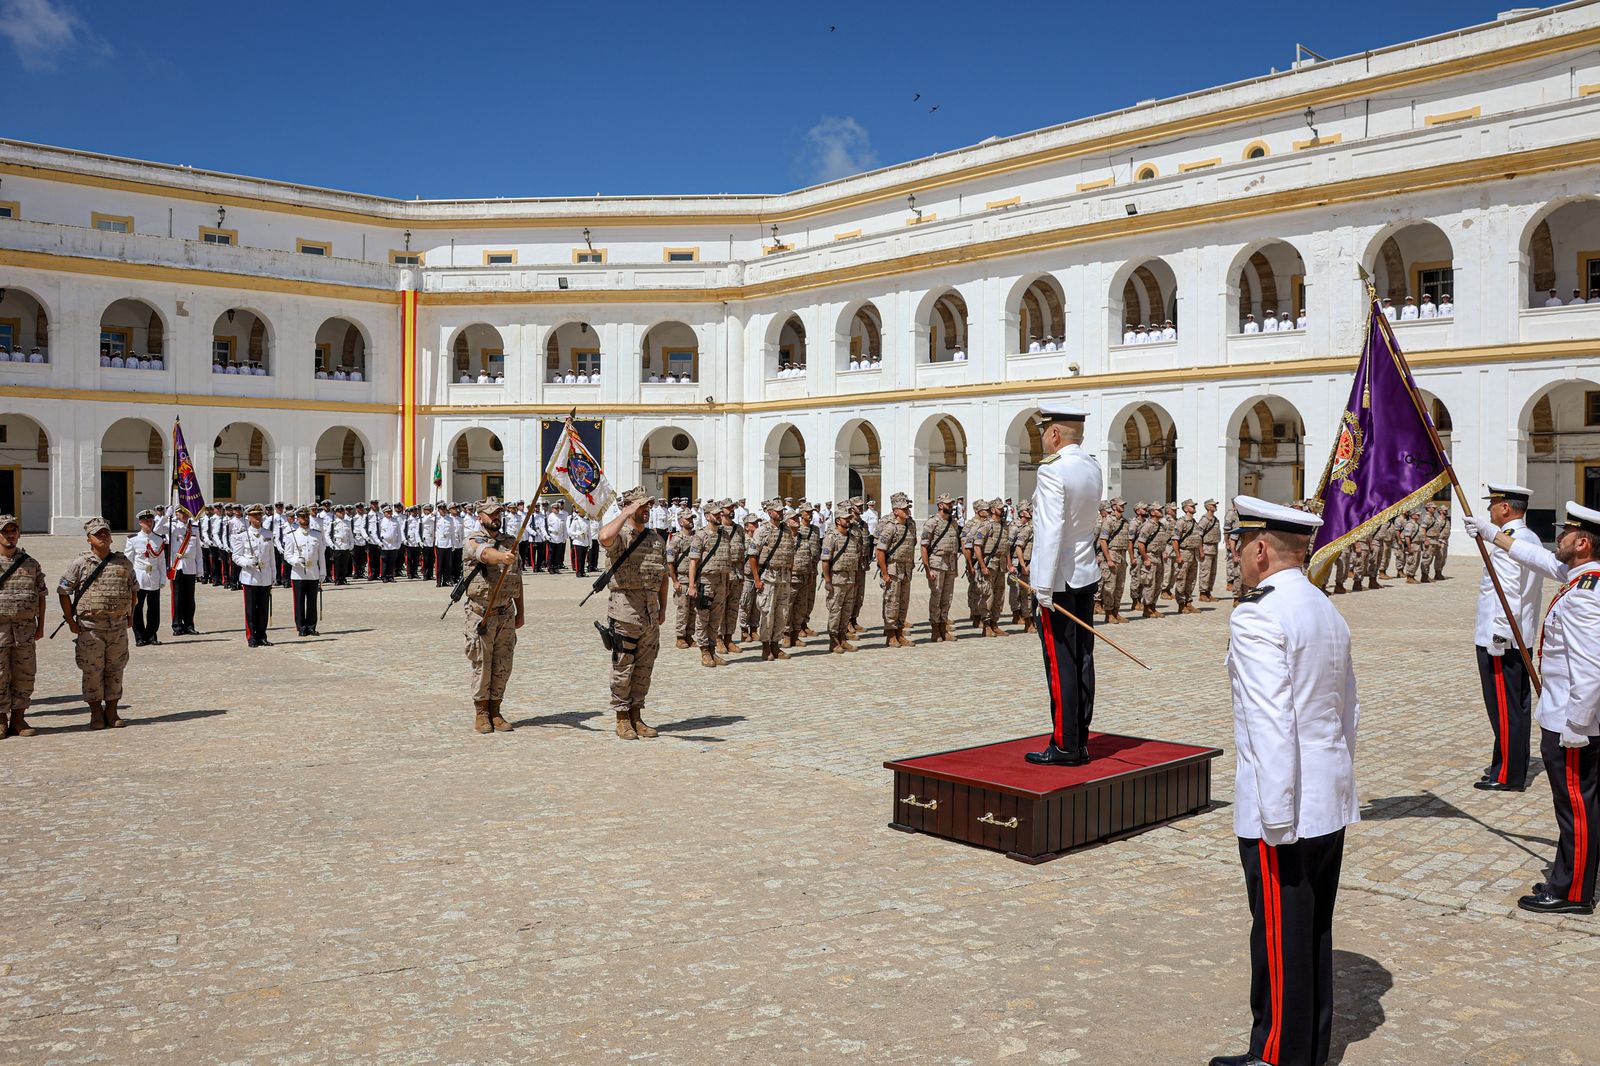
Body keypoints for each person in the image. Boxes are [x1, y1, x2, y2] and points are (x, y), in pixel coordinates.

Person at [1212, 496, 1359, 1066]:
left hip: (1286, 808)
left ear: (1260, 548)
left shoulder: (1258, 614)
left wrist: (1275, 816)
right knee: (1312, 930)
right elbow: (1348, 710)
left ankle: (1276, 1056)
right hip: (1327, 795)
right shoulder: (1325, 608)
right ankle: (1307, 1048)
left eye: (1238, 545)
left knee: (1277, 938)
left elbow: (1271, 723)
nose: (1235, 554)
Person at [1470, 501, 1600, 915]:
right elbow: (1538, 558)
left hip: (1573, 724)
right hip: (1573, 717)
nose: (1556, 537)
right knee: (1581, 807)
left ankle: (1572, 891)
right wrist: (1493, 535)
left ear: (1581, 543)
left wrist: (1577, 724)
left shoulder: (1584, 596)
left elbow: (1591, 668)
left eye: (1565, 533)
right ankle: (1573, 875)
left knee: (1576, 808)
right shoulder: (1585, 576)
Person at [1025, 405, 1103, 766]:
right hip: (1085, 574)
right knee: (1082, 659)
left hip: (1059, 581)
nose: (1043, 437)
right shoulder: (1091, 466)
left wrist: (1042, 586)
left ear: (1054, 433)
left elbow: (1050, 532)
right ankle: (1080, 739)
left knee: (1060, 665)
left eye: (1044, 430)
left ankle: (1065, 744)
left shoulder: (1052, 470)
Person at [598, 488, 669, 740]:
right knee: (623, 664)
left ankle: (637, 715)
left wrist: (662, 607)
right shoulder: (620, 536)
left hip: (650, 611)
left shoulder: (656, 539)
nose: (646, 509)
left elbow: (663, 576)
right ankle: (621, 718)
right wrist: (624, 514)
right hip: (625, 609)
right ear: (627, 507)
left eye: (648, 505)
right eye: (640, 505)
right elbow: (604, 536)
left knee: (645, 666)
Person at [57, 517, 137, 729]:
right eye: (98, 534)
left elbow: (133, 590)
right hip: (90, 627)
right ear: (88, 539)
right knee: (92, 670)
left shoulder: (123, 562)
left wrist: (131, 615)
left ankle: (112, 710)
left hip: (117, 626)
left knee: (116, 668)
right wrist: (70, 621)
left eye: (106, 533)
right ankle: (95, 712)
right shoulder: (80, 564)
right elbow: (63, 592)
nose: (103, 536)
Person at [461, 497, 523, 734]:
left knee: (503, 664)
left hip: (505, 612)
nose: (495, 517)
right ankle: (481, 712)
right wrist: (502, 558)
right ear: (480, 516)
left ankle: (496, 709)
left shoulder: (509, 542)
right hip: (481, 614)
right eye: (490, 514)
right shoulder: (472, 540)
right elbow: (485, 555)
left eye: (498, 513)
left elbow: (517, 580)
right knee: (482, 664)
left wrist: (521, 612)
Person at [0, 514, 47, 739]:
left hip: (25, 629)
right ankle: (0, 719)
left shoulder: (30, 563)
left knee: (25, 674)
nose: (10, 535)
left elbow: (41, 595)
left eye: (13, 531)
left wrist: (41, 626)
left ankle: (18, 718)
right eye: (5, 532)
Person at [685, 499, 735, 666]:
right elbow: (693, 562)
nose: (719, 516)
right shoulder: (701, 535)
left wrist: (727, 584)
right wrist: (692, 586)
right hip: (705, 582)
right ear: (707, 516)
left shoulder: (725, 535)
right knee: (703, 618)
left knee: (716, 618)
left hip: (721, 581)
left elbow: (727, 562)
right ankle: (704, 652)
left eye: (720, 514)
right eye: (715, 514)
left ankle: (713, 650)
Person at [747, 498, 796, 661]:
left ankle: (776, 644)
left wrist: (790, 572)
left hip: (783, 577)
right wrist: (756, 579)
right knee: (767, 612)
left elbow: (790, 553)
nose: (780, 513)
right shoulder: (762, 531)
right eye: (777, 511)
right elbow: (752, 556)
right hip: (768, 577)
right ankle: (765, 646)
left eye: (782, 510)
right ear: (769, 512)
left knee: (782, 612)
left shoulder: (787, 530)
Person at [871, 492, 917, 648]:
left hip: (906, 569)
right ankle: (890, 635)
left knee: (904, 602)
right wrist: (884, 573)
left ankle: (900, 633)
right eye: (904, 509)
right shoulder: (890, 527)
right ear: (896, 511)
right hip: (893, 569)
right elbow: (880, 551)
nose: (907, 511)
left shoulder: (911, 525)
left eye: (908, 508)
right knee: (892, 602)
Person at [919, 493, 962, 642]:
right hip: (936, 563)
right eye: (948, 503)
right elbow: (924, 547)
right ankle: (935, 629)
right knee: (936, 597)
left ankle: (944, 628)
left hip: (950, 564)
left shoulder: (953, 522)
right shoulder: (932, 523)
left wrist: (955, 567)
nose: (951, 505)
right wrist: (927, 569)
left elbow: (955, 545)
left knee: (947, 598)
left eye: (952, 503)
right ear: (940, 505)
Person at [233, 504, 277, 647]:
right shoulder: (242, 536)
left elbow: (272, 558)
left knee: (264, 609)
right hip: (250, 576)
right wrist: (247, 562)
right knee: (251, 609)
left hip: (265, 576)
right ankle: (251, 636)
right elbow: (236, 556)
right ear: (249, 518)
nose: (258, 518)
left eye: (260, 515)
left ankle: (262, 635)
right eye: (255, 515)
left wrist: (273, 575)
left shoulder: (268, 534)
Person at [820, 509, 861, 653]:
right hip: (836, 579)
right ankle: (833, 641)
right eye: (845, 519)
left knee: (846, 611)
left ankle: (843, 638)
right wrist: (827, 580)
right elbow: (825, 561)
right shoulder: (831, 537)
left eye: (849, 518)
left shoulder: (852, 537)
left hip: (850, 579)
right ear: (838, 521)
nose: (848, 521)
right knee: (835, 611)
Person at [125, 509, 166, 647]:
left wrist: (162, 578)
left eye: (151, 520)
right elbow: (128, 561)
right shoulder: (133, 540)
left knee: (154, 608)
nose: (149, 523)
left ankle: (152, 635)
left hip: (154, 576)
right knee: (137, 608)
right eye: (146, 521)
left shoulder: (159, 539)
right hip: (139, 577)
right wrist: (128, 579)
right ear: (140, 522)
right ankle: (139, 636)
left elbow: (161, 561)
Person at [284, 507, 325, 637]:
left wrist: (322, 572)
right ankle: (301, 626)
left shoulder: (317, 534)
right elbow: (287, 555)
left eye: (306, 516)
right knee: (299, 602)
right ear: (297, 518)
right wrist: (296, 561)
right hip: (298, 573)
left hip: (313, 572)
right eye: (302, 517)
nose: (305, 519)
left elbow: (321, 555)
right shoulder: (292, 536)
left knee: (312, 602)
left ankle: (311, 626)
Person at [166, 507, 201, 635]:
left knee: (190, 599)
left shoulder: (194, 529)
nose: (185, 515)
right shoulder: (172, 526)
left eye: (186, 513)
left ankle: (189, 625)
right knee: (177, 598)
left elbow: (198, 551)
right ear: (176, 514)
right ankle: (177, 625)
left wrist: (200, 569)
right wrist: (166, 517)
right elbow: (157, 530)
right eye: (181, 513)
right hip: (177, 566)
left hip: (190, 567)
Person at [665, 510, 697, 649]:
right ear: (680, 521)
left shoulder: (696, 537)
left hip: (695, 579)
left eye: (692, 518)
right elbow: (670, 562)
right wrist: (675, 581)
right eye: (688, 518)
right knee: (683, 610)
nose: (691, 521)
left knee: (693, 610)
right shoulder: (676, 539)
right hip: (682, 579)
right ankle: (680, 636)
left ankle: (690, 635)